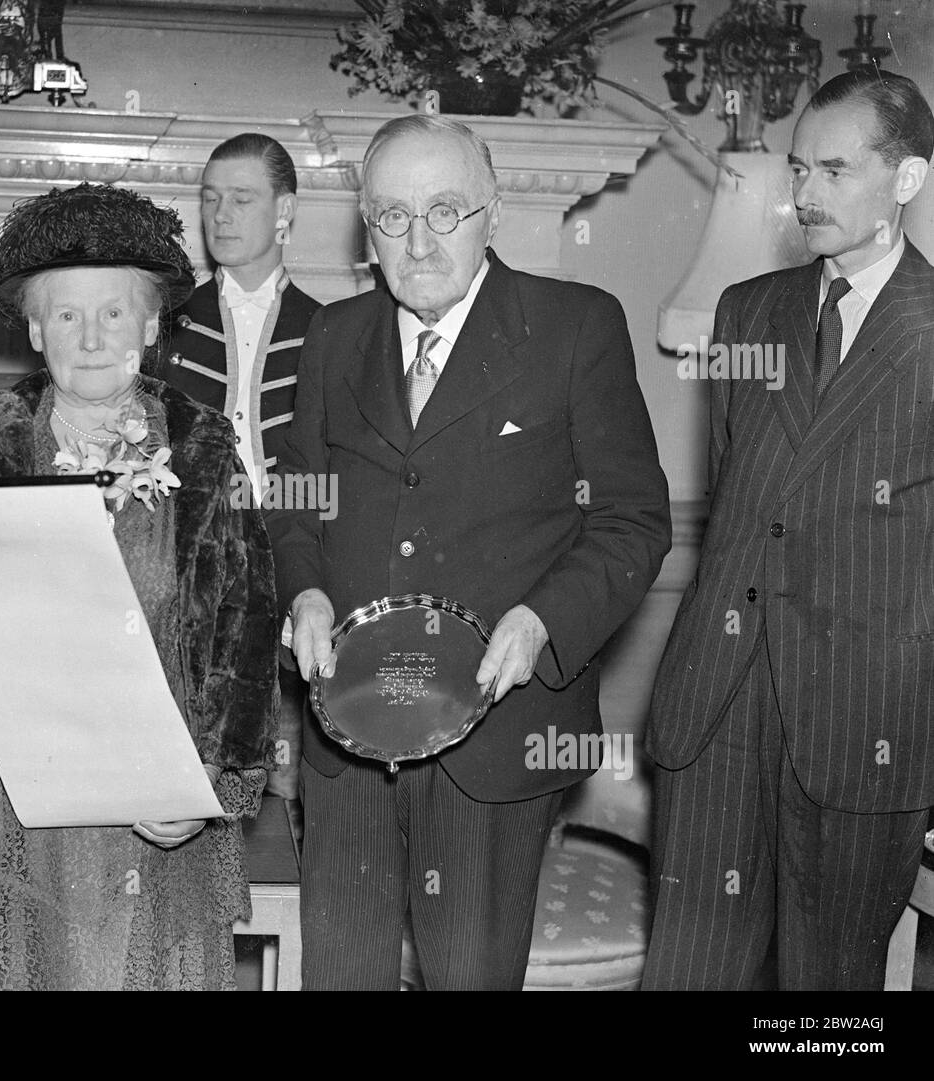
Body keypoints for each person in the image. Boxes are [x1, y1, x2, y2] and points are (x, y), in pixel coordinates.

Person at [270, 113, 670, 990]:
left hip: (498, 735)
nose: (418, 241)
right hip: (350, 734)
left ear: (492, 212)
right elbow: (297, 498)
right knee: (342, 975)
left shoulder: (575, 327)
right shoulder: (334, 337)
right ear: (363, 228)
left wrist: (542, 623)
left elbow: (633, 519)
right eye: (391, 216)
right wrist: (303, 591)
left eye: (444, 210)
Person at [0, 182, 279, 990]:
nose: (92, 338)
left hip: (150, 807)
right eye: (67, 315)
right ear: (35, 328)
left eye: (114, 313)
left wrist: (211, 787)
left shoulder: (203, 447)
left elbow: (246, 633)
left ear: (151, 325)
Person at [645, 68, 934, 991]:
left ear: (907, 180)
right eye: (799, 169)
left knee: (827, 1004)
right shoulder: (748, 312)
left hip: (863, 728)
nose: (804, 194)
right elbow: (739, 504)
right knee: (686, 975)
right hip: (719, 704)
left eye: (834, 171)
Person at [162, 132, 320, 799]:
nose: (220, 215)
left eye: (242, 198)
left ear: (284, 210)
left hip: (297, 561)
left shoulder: (332, 327)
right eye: (210, 199)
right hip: (189, 565)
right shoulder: (167, 323)